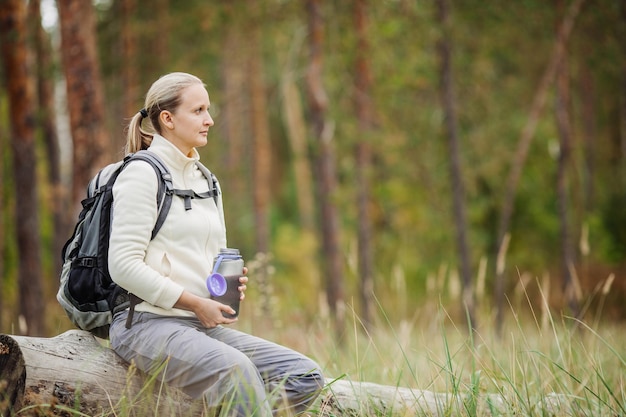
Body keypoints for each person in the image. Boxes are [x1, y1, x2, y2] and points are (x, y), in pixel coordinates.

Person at [108, 72, 324, 416]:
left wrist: (224, 281)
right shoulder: (141, 173)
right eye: (198, 111)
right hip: (145, 324)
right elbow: (122, 265)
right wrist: (195, 303)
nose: (209, 119)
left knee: (304, 375)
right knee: (236, 371)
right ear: (168, 118)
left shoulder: (206, 180)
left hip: (198, 326)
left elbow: (213, 255)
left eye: (208, 110)